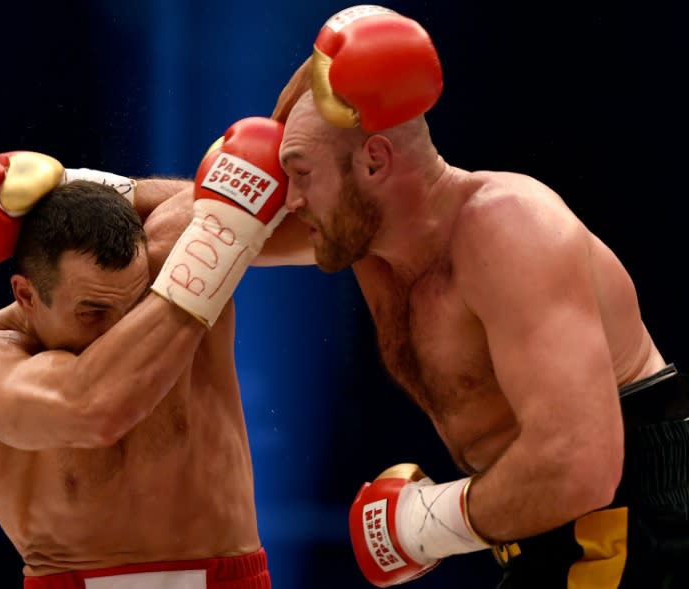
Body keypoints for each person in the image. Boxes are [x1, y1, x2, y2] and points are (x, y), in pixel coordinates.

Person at [275, 4, 689, 588]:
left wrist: (423, 524)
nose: (288, 199)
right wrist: (111, 191)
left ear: (374, 160)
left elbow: (581, 467)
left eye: (300, 173)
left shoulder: (508, 228)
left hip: (628, 528)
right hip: (543, 540)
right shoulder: (362, 237)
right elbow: (220, 219)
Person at [0, 114, 305, 588]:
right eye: (92, 313)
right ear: (25, 295)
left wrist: (100, 187)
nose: (120, 330)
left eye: (136, 300)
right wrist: (216, 244)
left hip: (229, 573)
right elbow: (92, 410)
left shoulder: (171, 253)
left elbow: (322, 226)